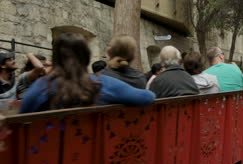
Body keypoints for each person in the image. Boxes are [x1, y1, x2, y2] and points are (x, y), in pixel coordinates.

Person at [19, 33, 155, 114]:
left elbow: (21, 118)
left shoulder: (41, 87)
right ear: (87, 57)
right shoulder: (103, 83)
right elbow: (147, 97)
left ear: (55, 58)